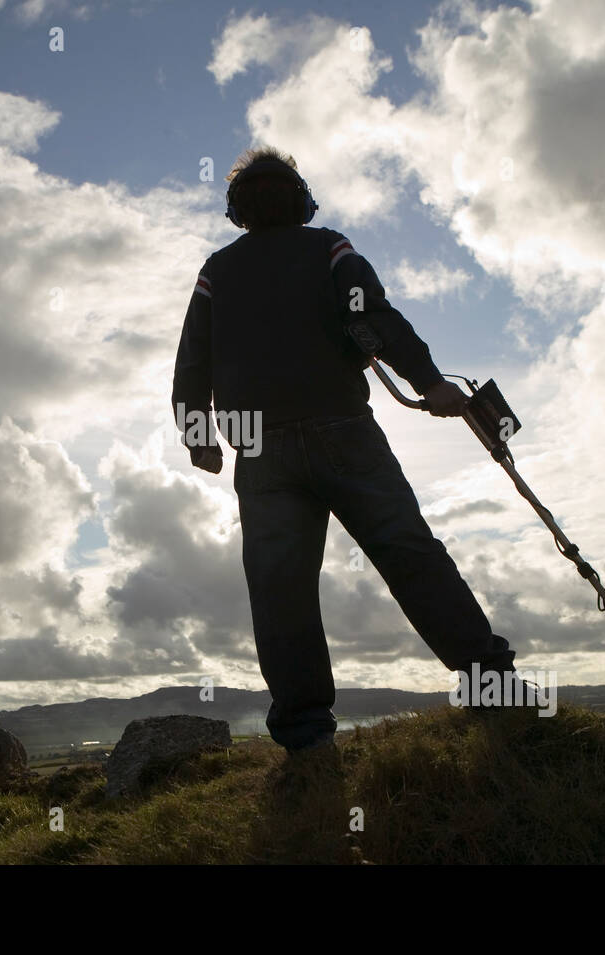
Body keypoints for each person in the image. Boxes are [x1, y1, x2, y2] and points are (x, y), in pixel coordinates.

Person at [172, 146, 517, 753]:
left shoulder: (216, 271)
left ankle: (307, 739)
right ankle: (491, 688)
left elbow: (192, 361)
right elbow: (373, 315)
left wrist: (200, 435)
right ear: (300, 200)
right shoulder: (328, 246)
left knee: (280, 588)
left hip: (258, 446)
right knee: (409, 552)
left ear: (238, 210)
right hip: (342, 429)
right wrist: (428, 381)